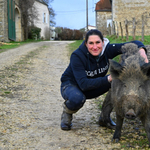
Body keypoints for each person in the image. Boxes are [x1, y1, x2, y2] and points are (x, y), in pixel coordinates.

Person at [60, 29, 148, 131]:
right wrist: (109, 78)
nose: (95, 47)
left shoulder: (108, 50)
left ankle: (104, 117)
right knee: (77, 98)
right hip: (73, 85)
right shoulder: (77, 56)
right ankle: (67, 112)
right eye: (91, 43)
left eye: (98, 42)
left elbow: (133, 43)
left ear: (103, 42)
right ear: (85, 44)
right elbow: (83, 84)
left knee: (118, 82)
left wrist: (142, 50)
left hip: (93, 85)